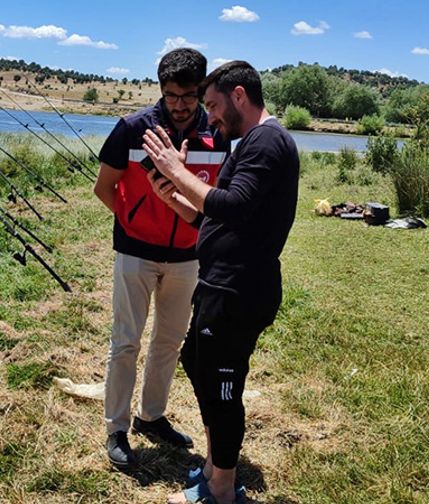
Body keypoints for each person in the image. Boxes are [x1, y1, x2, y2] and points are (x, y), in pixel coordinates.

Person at [141, 60, 299, 503]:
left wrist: (177, 170)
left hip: (239, 290)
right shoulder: (250, 143)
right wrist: (172, 197)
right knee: (197, 362)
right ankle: (214, 468)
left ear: (240, 96)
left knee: (223, 388)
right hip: (221, 285)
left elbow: (232, 205)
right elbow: (212, 216)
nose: (208, 116)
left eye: (211, 105)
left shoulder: (268, 141)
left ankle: (222, 490)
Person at [94, 48, 229, 467]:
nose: (180, 105)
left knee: (169, 342)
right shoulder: (132, 129)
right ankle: (116, 427)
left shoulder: (218, 135)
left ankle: (150, 417)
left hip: (189, 256)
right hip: (135, 253)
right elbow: (104, 187)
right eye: (171, 95)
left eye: (188, 95)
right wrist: (135, 221)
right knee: (126, 342)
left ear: (202, 90)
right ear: (160, 91)